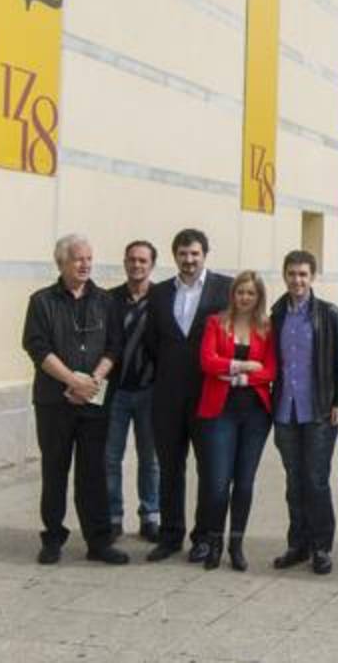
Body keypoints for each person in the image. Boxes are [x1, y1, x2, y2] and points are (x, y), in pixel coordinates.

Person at [21, 234, 128, 565]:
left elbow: (115, 346)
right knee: (55, 470)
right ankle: (53, 538)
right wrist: (71, 380)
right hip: (55, 401)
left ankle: (98, 541)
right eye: (78, 259)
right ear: (61, 263)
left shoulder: (105, 301)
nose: (85, 265)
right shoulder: (41, 301)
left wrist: (93, 381)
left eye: (89, 259)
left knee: (93, 472)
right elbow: (37, 347)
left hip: (95, 400)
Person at [145, 229, 232, 563]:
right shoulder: (160, 293)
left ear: (205, 254)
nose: (189, 260)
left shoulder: (224, 289)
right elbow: (153, 343)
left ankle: (204, 538)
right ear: (174, 256)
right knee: (169, 469)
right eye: (183, 253)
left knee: (211, 471)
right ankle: (170, 535)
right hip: (167, 397)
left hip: (209, 396)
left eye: (195, 253)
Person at [270, 250, 338, 575]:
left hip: (318, 410)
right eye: (292, 274)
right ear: (285, 275)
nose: (297, 280)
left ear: (312, 277)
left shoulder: (328, 314)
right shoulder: (276, 314)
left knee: (316, 480)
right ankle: (297, 544)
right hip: (286, 410)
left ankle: (321, 547)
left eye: (303, 274)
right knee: (294, 480)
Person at [197, 271, 277, 571]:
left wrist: (236, 377)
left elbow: (270, 370)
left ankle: (236, 544)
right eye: (240, 292)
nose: (245, 298)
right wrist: (242, 365)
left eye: (251, 293)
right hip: (220, 412)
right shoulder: (216, 323)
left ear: (259, 297)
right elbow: (207, 361)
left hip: (255, 414)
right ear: (233, 294)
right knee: (218, 483)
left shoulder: (267, 328)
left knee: (244, 483)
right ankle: (214, 542)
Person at [105, 240, 160, 544]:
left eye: (142, 260)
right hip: (116, 391)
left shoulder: (162, 298)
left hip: (150, 391)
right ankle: (113, 517)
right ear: (125, 263)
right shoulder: (109, 300)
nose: (137, 265)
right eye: (131, 260)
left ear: (152, 265)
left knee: (149, 459)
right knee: (110, 457)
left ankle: (150, 516)